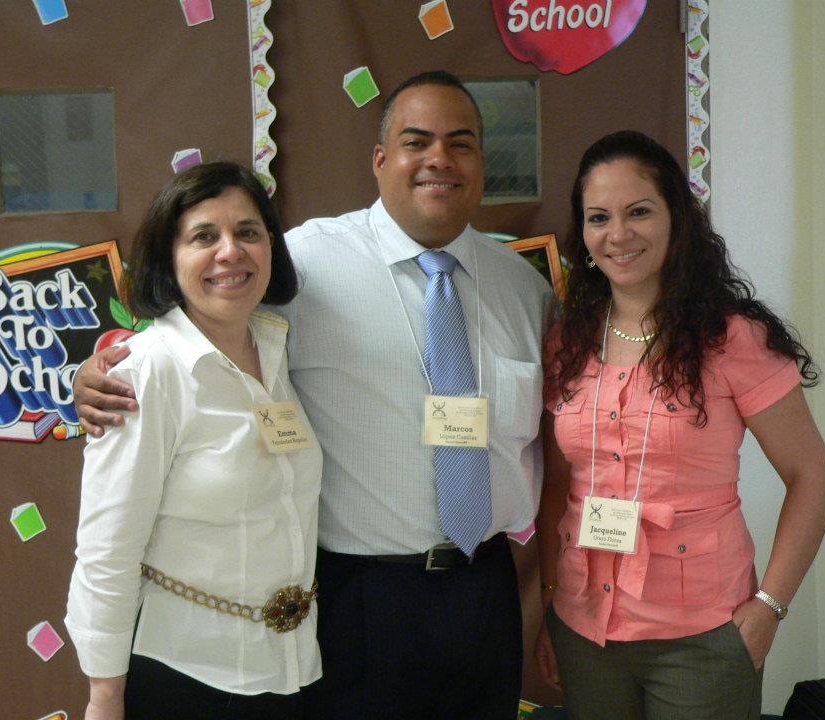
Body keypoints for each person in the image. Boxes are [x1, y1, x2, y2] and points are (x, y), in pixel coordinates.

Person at [73, 72, 553, 720]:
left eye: (460, 143)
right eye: (417, 142)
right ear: (381, 160)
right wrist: (91, 374)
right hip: (359, 598)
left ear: (480, 163)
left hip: (487, 594)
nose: (439, 158)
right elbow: (198, 323)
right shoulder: (304, 264)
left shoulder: (524, 291)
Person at [533, 131, 825, 720]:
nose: (618, 234)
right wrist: (548, 601)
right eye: (599, 218)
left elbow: (812, 476)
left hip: (703, 635)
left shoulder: (732, 337)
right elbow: (554, 484)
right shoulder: (567, 342)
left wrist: (769, 607)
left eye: (639, 211)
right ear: (584, 235)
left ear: (677, 218)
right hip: (584, 627)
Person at [65, 162, 322, 720]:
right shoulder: (145, 374)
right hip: (187, 677)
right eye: (204, 236)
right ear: (169, 258)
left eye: (248, 232)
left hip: (290, 667)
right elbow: (107, 552)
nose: (230, 252)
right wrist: (104, 698)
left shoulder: (276, 347)